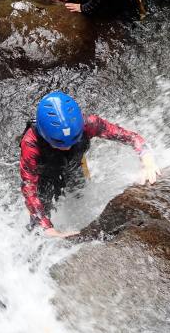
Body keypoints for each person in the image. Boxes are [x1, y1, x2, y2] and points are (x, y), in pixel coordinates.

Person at [20, 91, 161, 238]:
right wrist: (47, 228)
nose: (68, 147)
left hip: (75, 165)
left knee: (79, 195)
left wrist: (147, 160)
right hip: (45, 175)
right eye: (60, 144)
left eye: (74, 140)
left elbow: (130, 137)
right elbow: (29, 186)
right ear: (44, 135)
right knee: (39, 224)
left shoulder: (89, 124)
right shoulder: (30, 143)